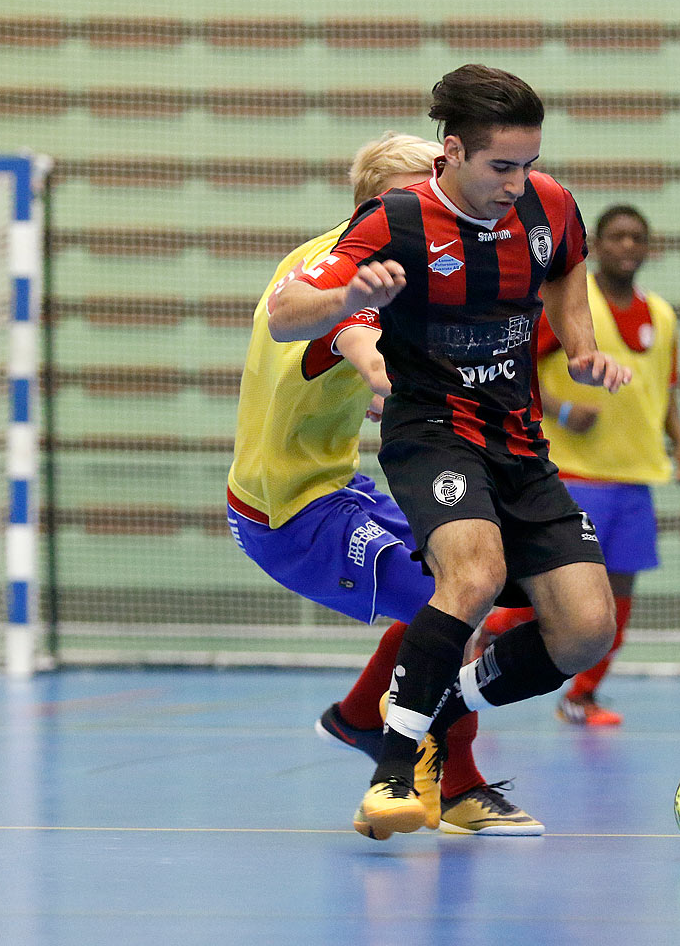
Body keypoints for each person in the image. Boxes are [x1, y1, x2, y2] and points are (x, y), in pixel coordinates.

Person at [268, 64, 634, 838]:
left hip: (519, 444)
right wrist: (349, 299)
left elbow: (568, 263)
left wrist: (580, 346)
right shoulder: (398, 219)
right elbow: (286, 312)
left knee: (586, 630)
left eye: (528, 163)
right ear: (453, 150)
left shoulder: (550, 203)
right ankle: (393, 773)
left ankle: (447, 699)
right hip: (432, 432)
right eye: (502, 166)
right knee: (475, 574)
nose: (518, 182)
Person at [225, 130, 544, 836]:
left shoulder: (326, 252)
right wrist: (390, 379)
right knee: (455, 604)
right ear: (382, 205)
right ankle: (452, 783)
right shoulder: (349, 280)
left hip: (332, 484)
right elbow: (354, 340)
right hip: (291, 515)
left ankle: (360, 717)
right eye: (425, 194)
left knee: (460, 579)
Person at [482, 204, 680, 727]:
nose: (628, 246)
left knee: (617, 606)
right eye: (617, 237)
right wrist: (559, 408)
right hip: (575, 477)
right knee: (560, 597)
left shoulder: (664, 316)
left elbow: (663, 391)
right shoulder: (574, 308)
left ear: (648, 247)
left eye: (637, 237)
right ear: (597, 245)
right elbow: (512, 368)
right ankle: (488, 634)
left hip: (635, 481)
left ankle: (582, 697)